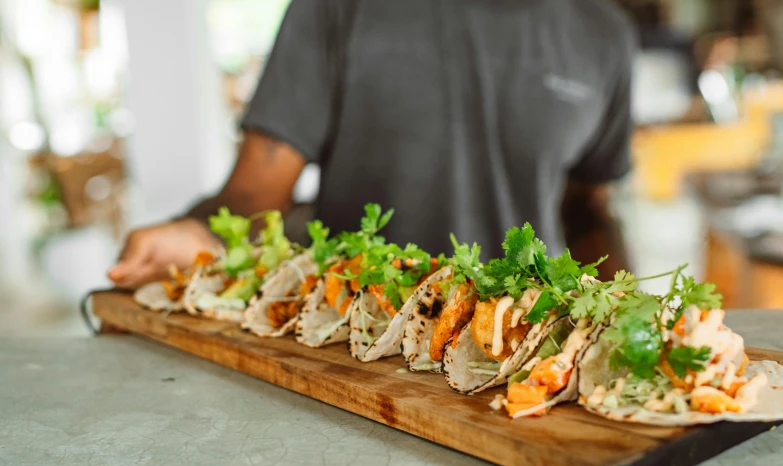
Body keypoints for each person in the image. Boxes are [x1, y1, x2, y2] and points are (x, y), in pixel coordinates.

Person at [109, 0, 636, 289]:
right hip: (353, 349)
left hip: (527, 349)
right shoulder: (338, 8)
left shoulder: (605, 34)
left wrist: (630, 314)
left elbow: (588, 214)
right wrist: (199, 237)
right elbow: (253, 199)